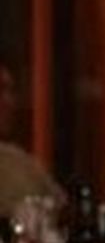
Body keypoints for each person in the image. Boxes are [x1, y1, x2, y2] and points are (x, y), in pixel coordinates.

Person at [0, 60, 65, 219]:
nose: (9, 101)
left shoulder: (22, 164)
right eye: (1, 90)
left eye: (10, 91)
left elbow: (63, 212)